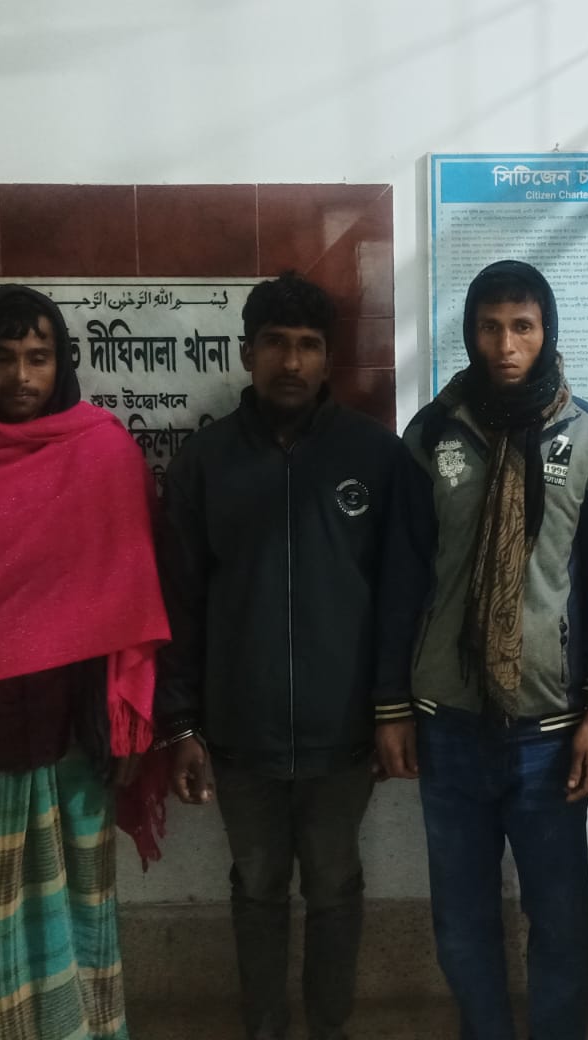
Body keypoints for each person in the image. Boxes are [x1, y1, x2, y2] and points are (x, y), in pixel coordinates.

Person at [0, 284, 171, 1040]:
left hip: (80, 733)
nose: (21, 376)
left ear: (63, 363)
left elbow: (135, 599)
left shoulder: (104, 453)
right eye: (3, 357)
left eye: (39, 358)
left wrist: (131, 725)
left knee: (86, 907)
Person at [375, 259, 588, 1040]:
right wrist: (391, 706)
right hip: (447, 724)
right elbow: (402, 575)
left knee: (561, 922)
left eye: (522, 326)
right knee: (461, 922)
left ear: (547, 331)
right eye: (490, 327)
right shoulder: (431, 436)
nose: (506, 344)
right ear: (470, 333)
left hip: (550, 732)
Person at [157, 272, 403, 1040]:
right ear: (246, 352)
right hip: (240, 733)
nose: (291, 362)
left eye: (307, 346)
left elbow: (401, 596)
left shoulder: (376, 455)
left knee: (334, 885)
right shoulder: (204, 462)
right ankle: (263, 1027)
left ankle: (328, 1028)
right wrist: (181, 724)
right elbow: (177, 604)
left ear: (328, 358)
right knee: (257, 885)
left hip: (343, 733)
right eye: (274, 344)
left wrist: (391, 708)